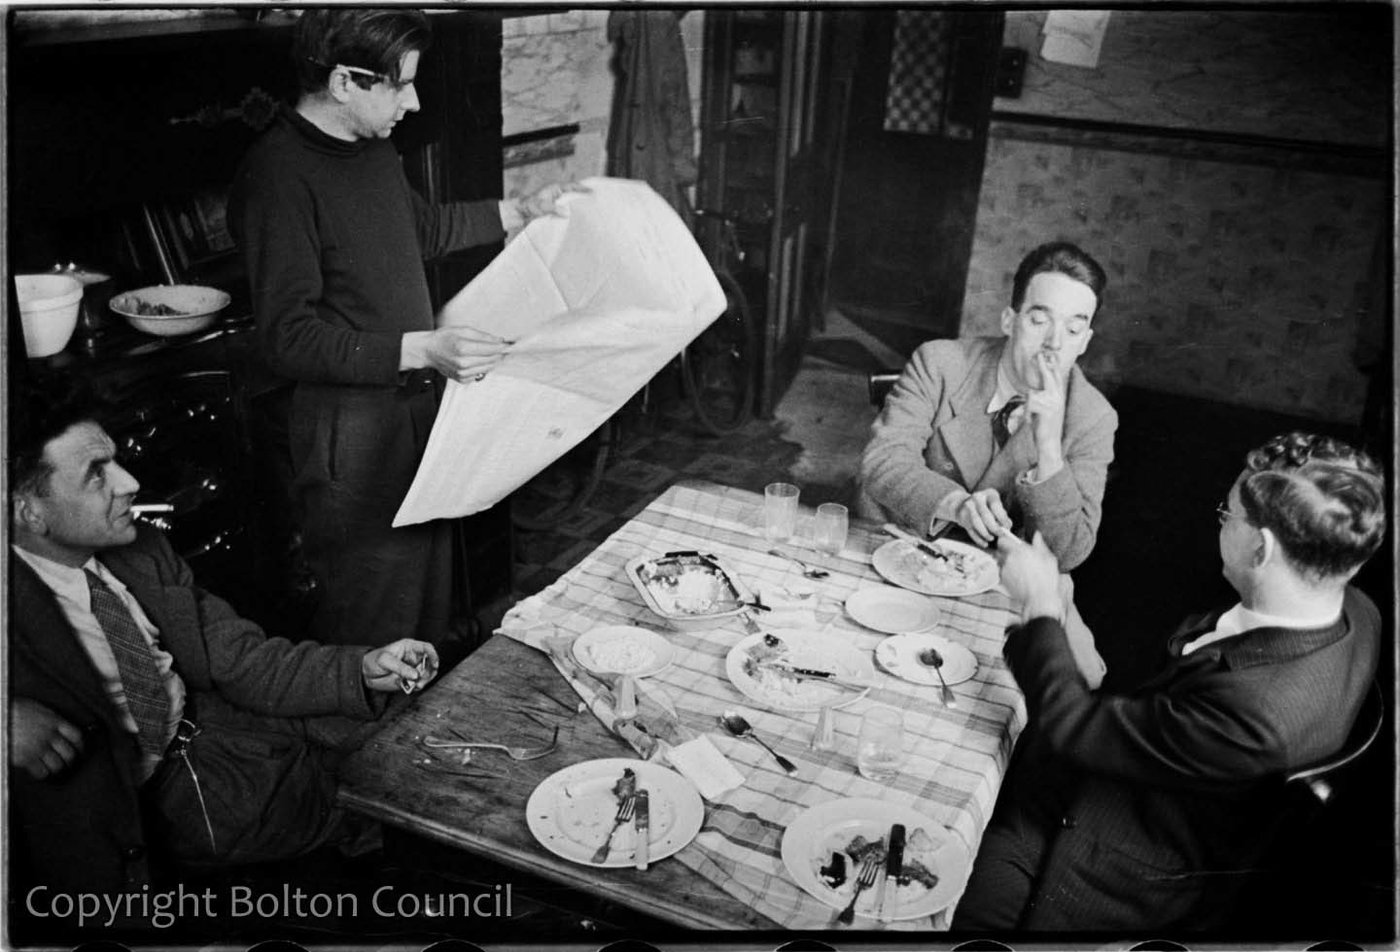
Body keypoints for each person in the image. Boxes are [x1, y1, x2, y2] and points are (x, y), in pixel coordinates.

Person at [7, 386, 440, 905]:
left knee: (419, 731)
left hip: (215, 720)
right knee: (370, 803)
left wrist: (363, 669)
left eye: (115, 460)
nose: (130, 483)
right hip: (163, 796)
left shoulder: (138, 551)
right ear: (29, 512)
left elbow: (241, 658)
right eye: (96, 474)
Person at [229, 8, 577, 648]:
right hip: (351, 440)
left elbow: (420, 230)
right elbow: (287, 337)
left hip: (415, 410)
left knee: (425, 613)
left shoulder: (372, 146)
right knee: (374, 628)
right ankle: (368, 748)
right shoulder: (276, 177)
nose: (413, 103)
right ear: (343, 84)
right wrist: (423, 348)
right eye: (400, 85)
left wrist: (518, 210)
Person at [952, 432, 1385, 932]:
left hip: (1092, 868)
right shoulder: (1354, 609)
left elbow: (1072, 725)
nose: (1219, 523)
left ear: (1262, 548)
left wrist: (1042, 606)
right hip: (1147, 789)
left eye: (1227, 515)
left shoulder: (1256, 716)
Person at [857, 241, 1116, 570]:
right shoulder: (940, 362)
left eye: (1073, 329)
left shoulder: (1094, 418)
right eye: (1039, 321)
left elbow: (1066, 554)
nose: (1054, 343)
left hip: (1001, 578)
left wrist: (1049, 449)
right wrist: (955, 504)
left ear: (1084, 342)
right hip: (899, 548)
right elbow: (882, 461)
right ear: (1010, 321)